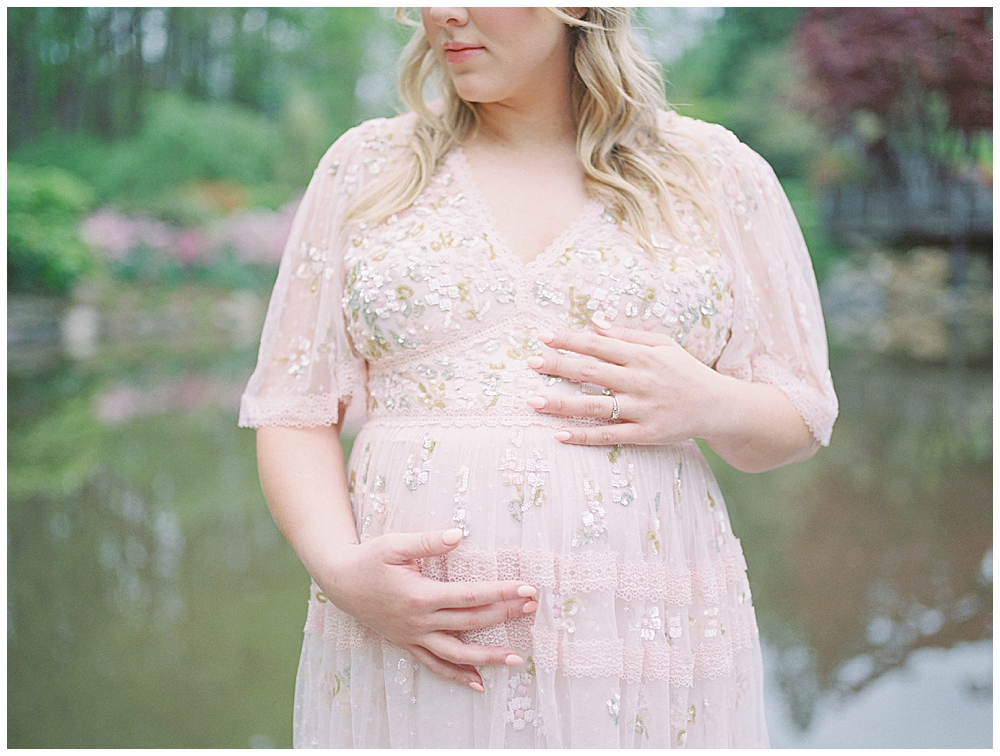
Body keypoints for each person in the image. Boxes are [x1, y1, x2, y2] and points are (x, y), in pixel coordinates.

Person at [239, 7, 838, 749]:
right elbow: (293, 406)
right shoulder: (365, 169)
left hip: (636, 637)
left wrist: (708, 403)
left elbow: (800, 416)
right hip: (408, 633)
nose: (442, 13)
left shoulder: (713, 174)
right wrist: (340, 569)